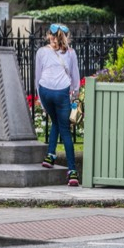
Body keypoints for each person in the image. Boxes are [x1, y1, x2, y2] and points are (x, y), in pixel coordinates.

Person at [33, 23, 81, 186]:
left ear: (49, 36)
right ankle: (72, 172)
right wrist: (74, 95)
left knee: (56, 123)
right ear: (66, 37)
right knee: (65, 130)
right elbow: (75, 78)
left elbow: (37, 77)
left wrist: (40, 96)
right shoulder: (71, 53)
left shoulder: (41, 52)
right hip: (61, 92)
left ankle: (50, 155)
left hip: (45, 90)